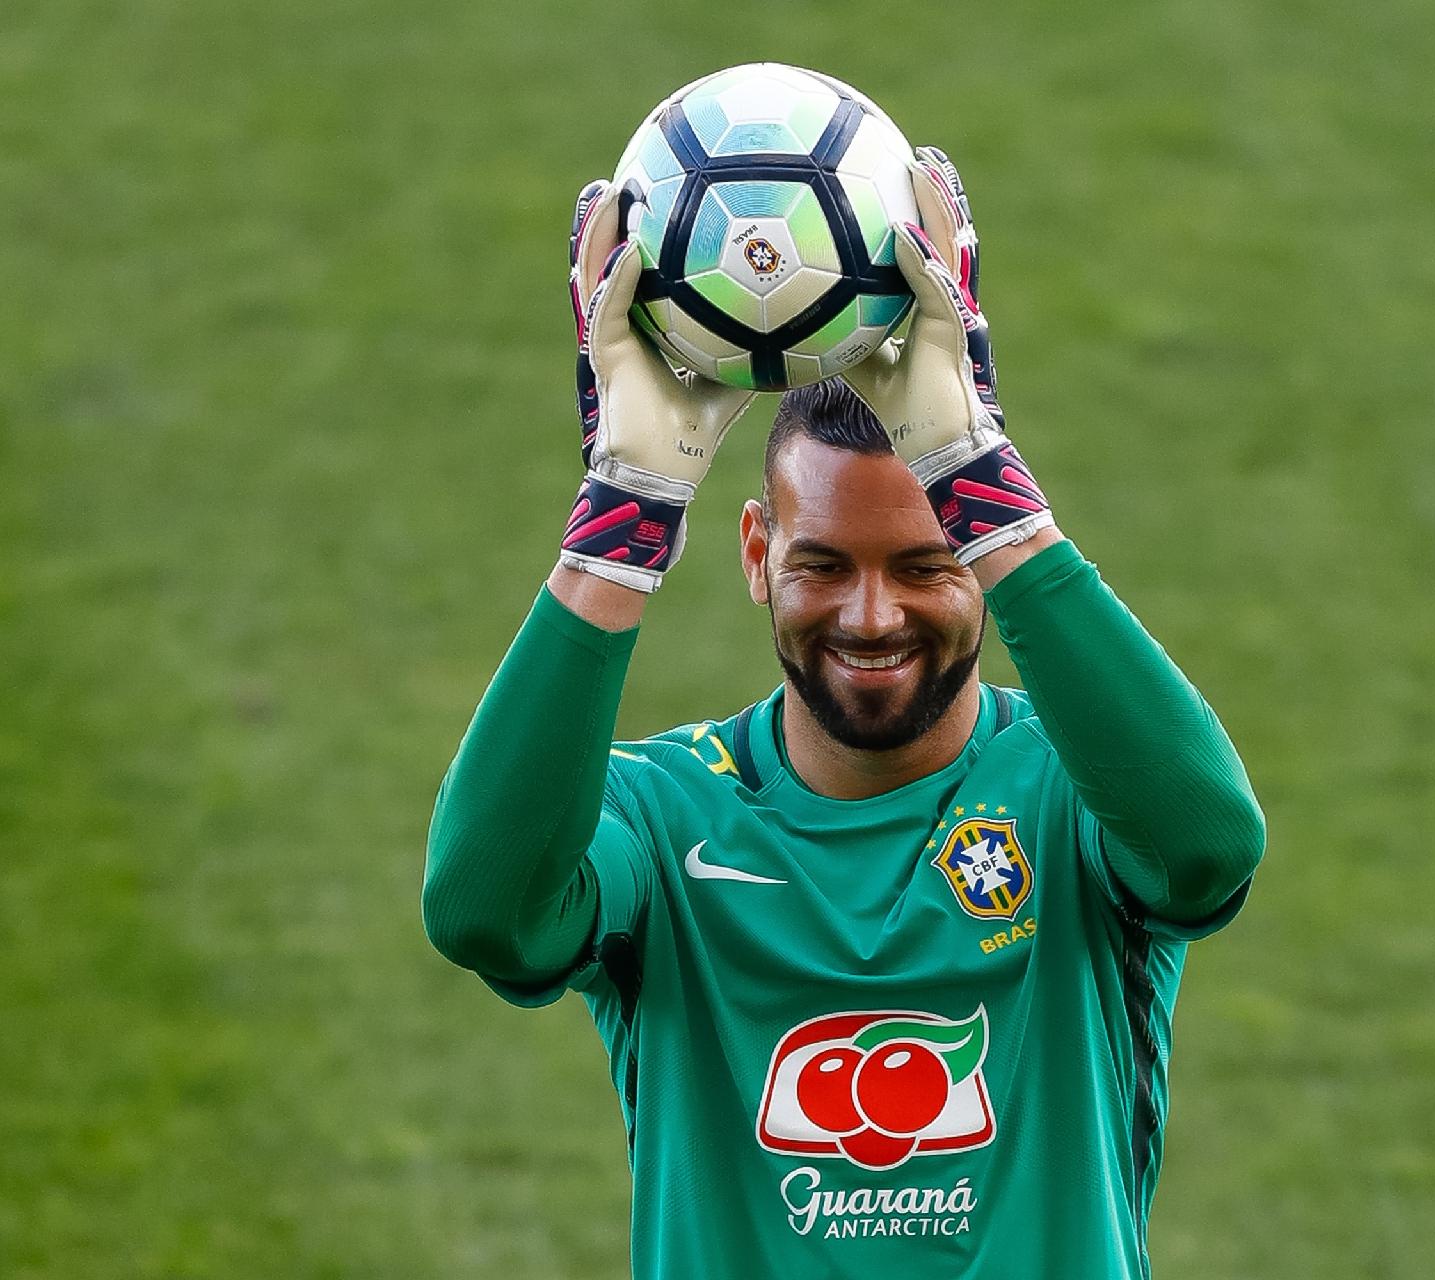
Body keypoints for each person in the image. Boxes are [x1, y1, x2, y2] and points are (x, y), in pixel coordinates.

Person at [423, 145, 1266, 1278]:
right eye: (824, 564)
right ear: (757, 554)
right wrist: (617, 527)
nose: (874, 618)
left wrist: (984, 478)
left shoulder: (1073, 791)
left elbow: (1209, 845)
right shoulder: (661, 821)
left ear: (978, 554)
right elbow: (484, 908)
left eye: (927, 564)